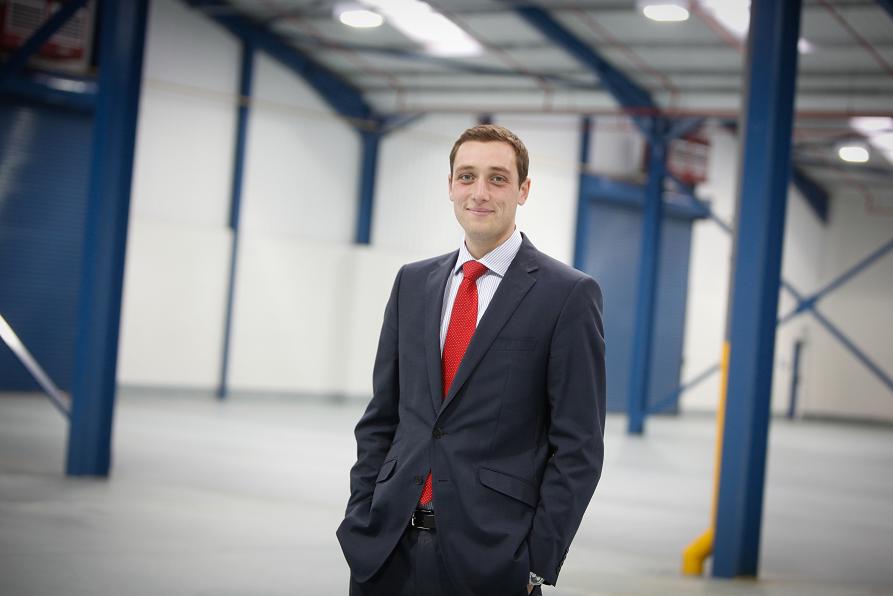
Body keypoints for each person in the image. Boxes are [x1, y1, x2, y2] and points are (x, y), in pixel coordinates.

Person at [337, 124, 606, 596]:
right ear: (450, 186)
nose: (480, 192)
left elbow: (579, 446)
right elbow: (382, 417)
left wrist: (536, 564)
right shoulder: (412, 283)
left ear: (523, 190)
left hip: (492, 562)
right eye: (467, 176)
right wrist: (361, 515)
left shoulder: (567, 295)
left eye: (498, 178)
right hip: (385, 553)